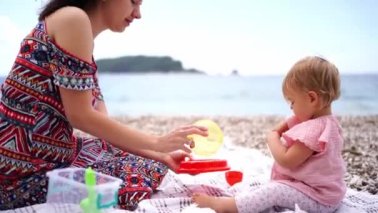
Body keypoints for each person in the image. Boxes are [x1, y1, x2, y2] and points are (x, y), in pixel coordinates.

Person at [0, 0, 208, 210]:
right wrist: (157, 142)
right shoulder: (72, 19)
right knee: (132, 182)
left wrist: (162, 155)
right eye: (134, 2)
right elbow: (80, 116)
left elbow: (103, 126)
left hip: (52, 154)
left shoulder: (82, 37)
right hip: (17, 172)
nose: (138, 14)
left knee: (149, 166)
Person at [192, 56, 347, 213]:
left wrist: (272, 138)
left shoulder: (313, 130)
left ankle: (225, 206)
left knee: (275, 191)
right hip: (328, 196)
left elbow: (287, 160)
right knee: (267, 188)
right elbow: (290, 124)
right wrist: (284, 125)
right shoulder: (327, 123)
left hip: (318, 200)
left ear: (312, 98)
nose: (291, 108)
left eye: (292, 102)